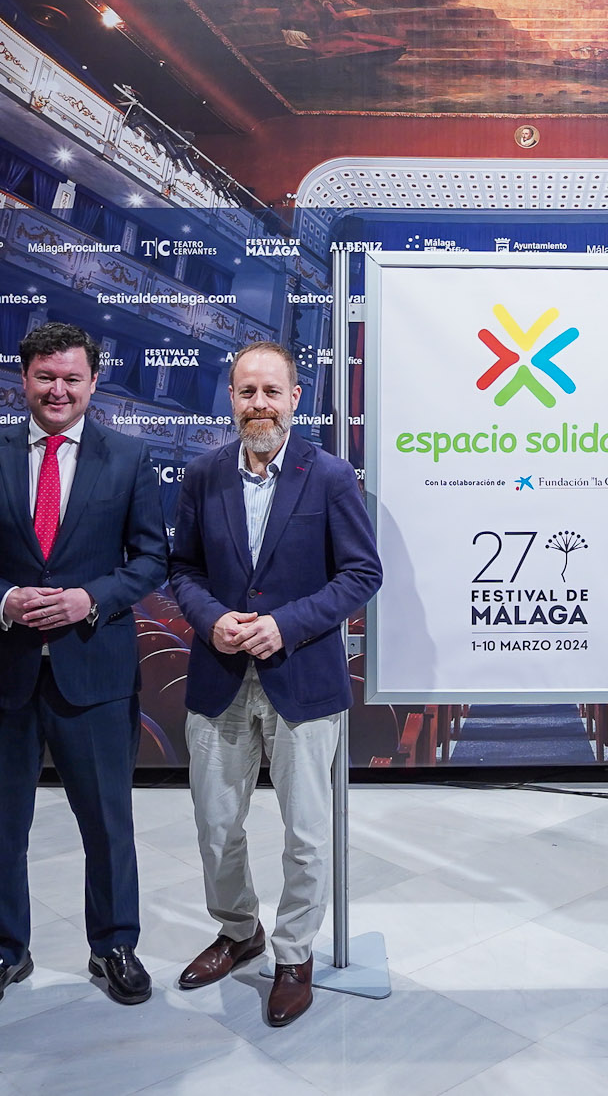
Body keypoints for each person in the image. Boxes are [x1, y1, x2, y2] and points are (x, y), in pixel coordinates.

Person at [0, 322, 169, 1016]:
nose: (57, 389)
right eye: (45, 376)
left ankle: (114, 944)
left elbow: (151, 559)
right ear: (24, 379)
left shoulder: (129, 456)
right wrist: (2, 597)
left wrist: (90, 597)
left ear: (93, 382)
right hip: (4, 671)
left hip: (94, 672)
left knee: (108, 822)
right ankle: (3, 950)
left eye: (71, 377)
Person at [167, 341, 381, 1028]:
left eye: (271, 391)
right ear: (231, 398)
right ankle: (239, 931)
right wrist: (212, 619)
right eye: (246, 391)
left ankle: (294, 954)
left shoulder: (331, 476)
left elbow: (362, 574)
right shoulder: (203, 475)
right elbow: (182, 569)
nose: (258, 403)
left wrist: (284, 625)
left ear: (295, 398)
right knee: (215, 825)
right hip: (220, 676)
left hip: (303, 680)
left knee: (307, 834)